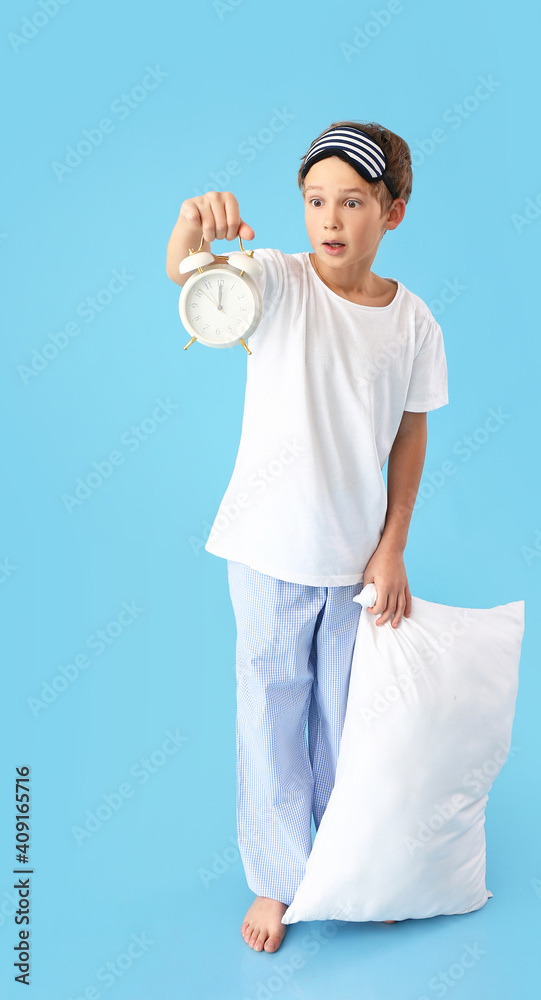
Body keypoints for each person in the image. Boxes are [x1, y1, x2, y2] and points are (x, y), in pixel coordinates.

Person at [165, 120, 449, 953]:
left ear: (392, 213)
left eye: (352, 201)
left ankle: (348, 866)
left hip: (356, 563)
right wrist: (193, 224)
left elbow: (409, 434)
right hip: (265, 551)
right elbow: (187, 276)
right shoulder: (279, 282)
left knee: (349, 721)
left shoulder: (412, 321)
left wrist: (391, 544)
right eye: (315, 200)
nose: (329, 218)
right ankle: (279, 882)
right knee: (269, 712)